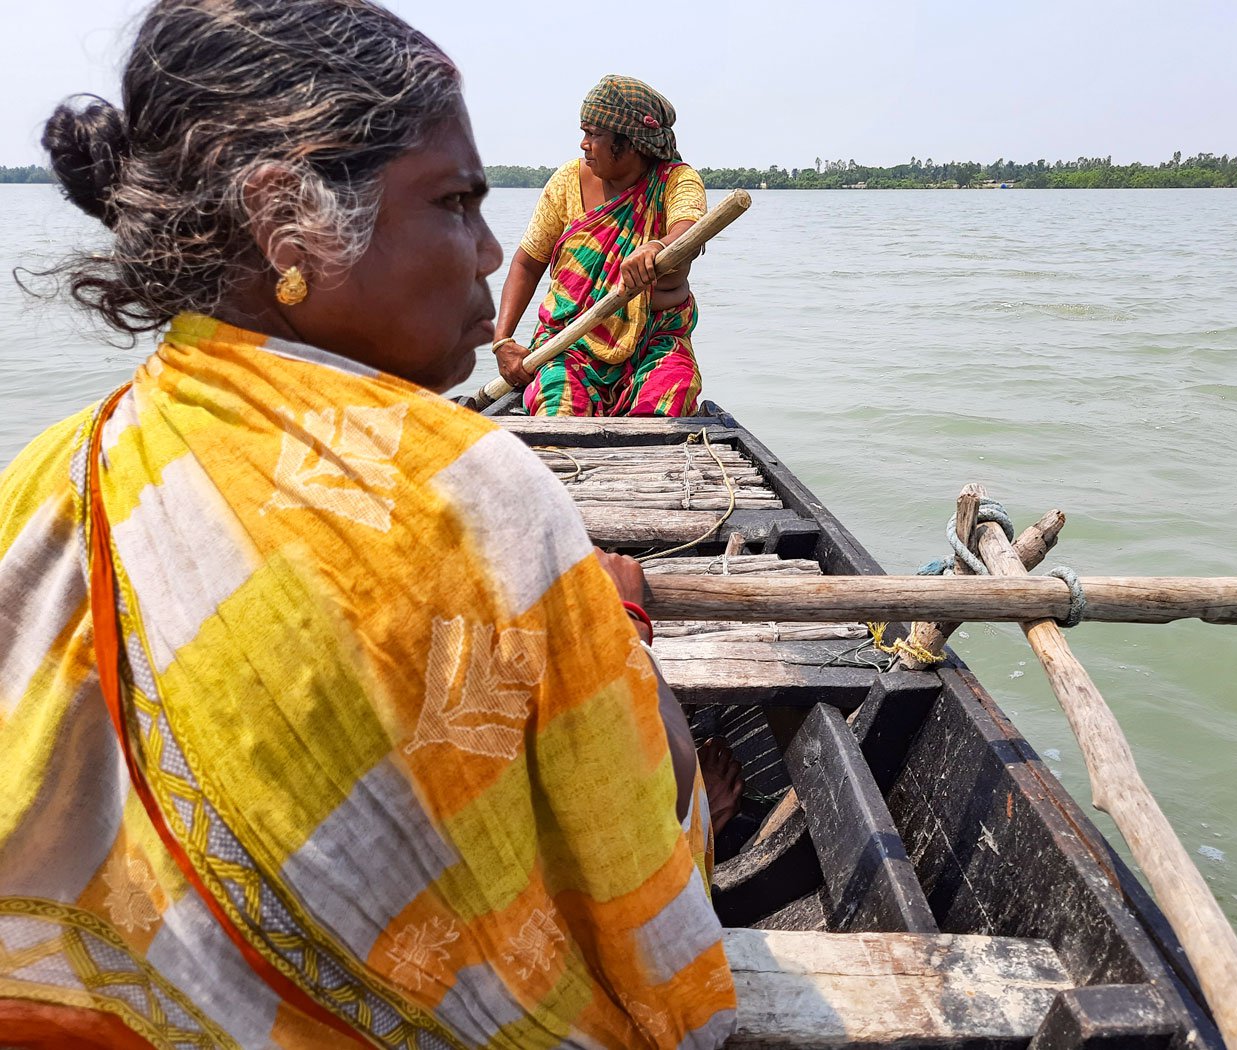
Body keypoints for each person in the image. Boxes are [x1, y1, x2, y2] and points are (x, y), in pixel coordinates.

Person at [0, 3, 737, 1047]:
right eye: (451, 204)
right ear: (284, 218)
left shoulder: (51, 471)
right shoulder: (475, 500)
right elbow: (633, 873)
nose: (485, 252)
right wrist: (617, 638)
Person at [492, 76, 708, 417]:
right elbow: (527, 263)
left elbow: (688, 233)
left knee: (669, 400)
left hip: (656, 342)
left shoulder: (676, 181)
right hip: (569, 345)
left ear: (631, 142)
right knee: (557, 411)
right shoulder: (566, 182)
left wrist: (656, 247)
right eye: (584, 132)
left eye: (594, 134)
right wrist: (502, 341)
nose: (584, 144)